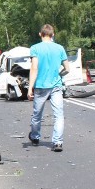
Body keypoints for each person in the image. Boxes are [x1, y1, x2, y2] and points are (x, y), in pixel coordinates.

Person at [27, 24, 70, 152]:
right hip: (56, 85)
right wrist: (59, 75)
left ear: (40, 34)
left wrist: (30, 88)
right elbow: (67, 69)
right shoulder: (60, 48)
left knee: (37, 115)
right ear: (53, 35)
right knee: (59, 115)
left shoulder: (35, 48)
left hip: (40, 86)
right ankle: (57, 142)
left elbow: (34, 68)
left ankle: (35, 137)